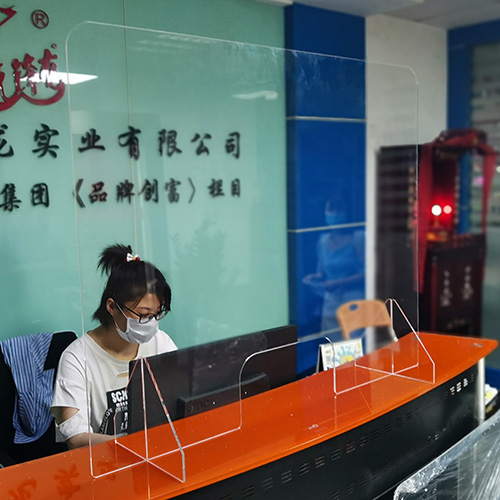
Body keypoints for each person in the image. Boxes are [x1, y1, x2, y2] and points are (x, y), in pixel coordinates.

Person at [51, 244, 177, 449]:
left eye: (156, 314)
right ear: (112, 307)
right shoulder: (76, 358)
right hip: (104, 466)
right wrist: (137, 446)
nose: (151, 323)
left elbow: (183, 402)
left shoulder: (160, 342)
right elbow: (76, 439)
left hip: (158, 455)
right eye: (143, 315)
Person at [303, 197, 365, 335]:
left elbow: (368, 273)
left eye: (340, 210)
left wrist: (338, 282)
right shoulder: (323, 241)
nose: (335, 214)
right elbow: (322, 273)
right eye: (331, 209)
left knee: (355, 348)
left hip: (354, 302)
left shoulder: (358, 238)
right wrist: (314, 278)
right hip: (330, 304)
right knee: (331, 347)